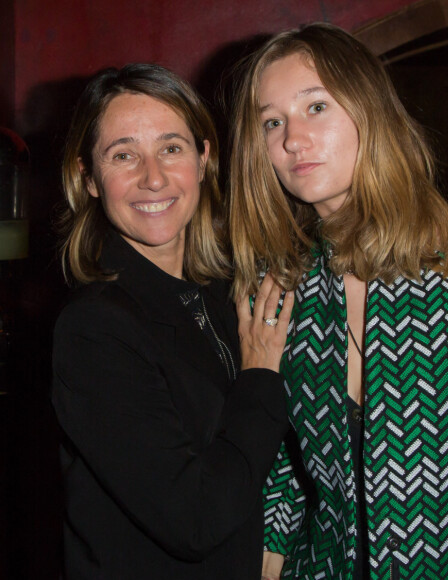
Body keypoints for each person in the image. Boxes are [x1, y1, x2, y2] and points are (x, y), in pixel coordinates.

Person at [228, 23, 448, 579]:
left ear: (371, 114)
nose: (293, 138)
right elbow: (284, 480)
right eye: (272, 122)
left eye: (315, 107)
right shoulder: (279, 294)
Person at [51, 63, 294, 579]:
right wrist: (260, 376)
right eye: (123, 155)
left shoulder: (222, 291)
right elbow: (194, 521)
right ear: (88, 178)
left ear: (204, 159)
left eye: (171, 148)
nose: (153, 177)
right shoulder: (93, 329)